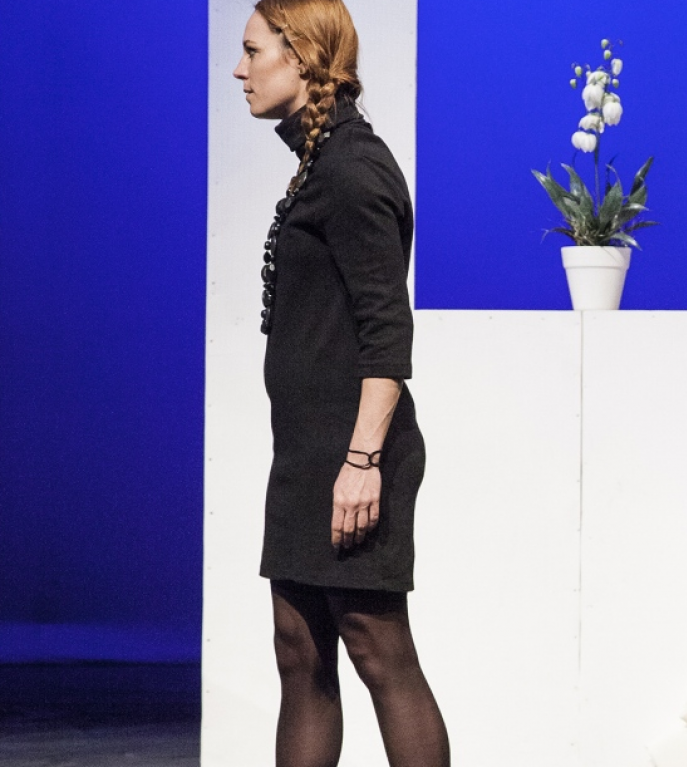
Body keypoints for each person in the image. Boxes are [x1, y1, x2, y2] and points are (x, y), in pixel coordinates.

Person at [232, 2, 449, 765]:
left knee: (377, 648)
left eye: (253, 51)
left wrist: (362, 461)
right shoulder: (320, 164)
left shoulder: (354, 168)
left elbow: (387, 332)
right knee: (298, 648)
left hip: (353, 453)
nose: (239, 70)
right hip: (306, 453)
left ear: (299, 56)